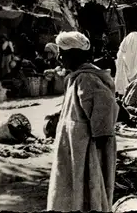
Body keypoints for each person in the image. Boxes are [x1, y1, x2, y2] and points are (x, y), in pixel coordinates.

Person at [46, 31, 119, 212]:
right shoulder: (77, 78)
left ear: (75, 55)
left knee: (87, 192)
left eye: (62, 53)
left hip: (86, 151)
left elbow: (104, 111)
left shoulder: (88, 79)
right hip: (75, 149)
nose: (59, 58)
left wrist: (94, 154)